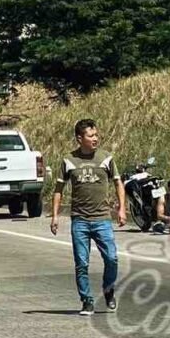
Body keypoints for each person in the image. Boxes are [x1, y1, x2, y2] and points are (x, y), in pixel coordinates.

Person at [50, 119, 127, 316]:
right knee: (82, 263)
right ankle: (87, 301)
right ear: (79, 138)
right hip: (80, 220)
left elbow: (118, 184)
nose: (95, 139)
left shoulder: (106, 158)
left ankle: (109, 290)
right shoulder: (68, 161)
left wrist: (121, 209)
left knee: (112, 258)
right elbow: (58, 190)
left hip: (102, 219)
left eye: (96, 135)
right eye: (91, 136)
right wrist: (55, 216)